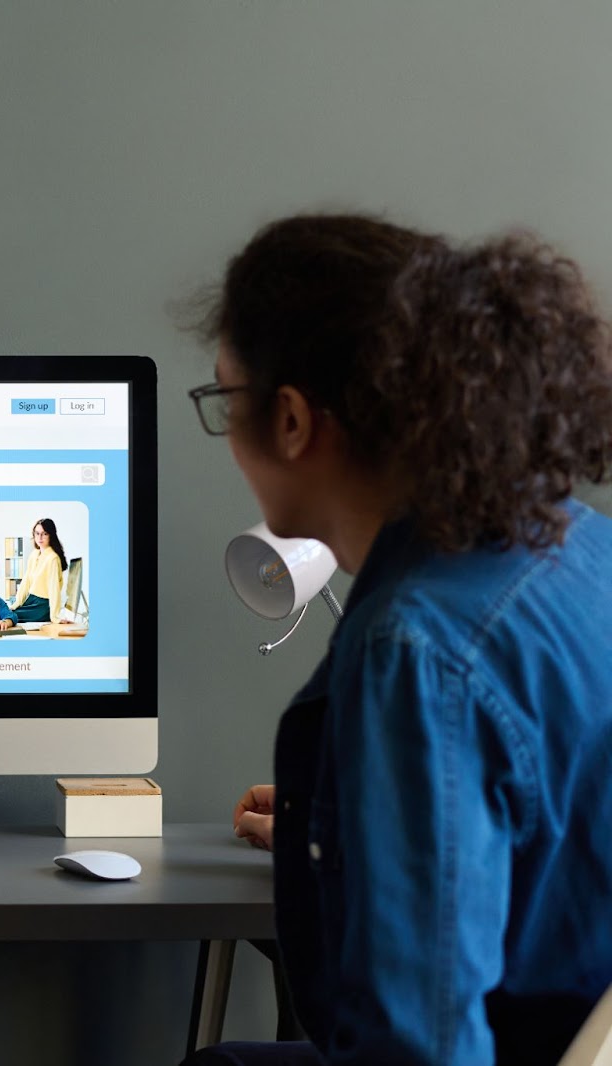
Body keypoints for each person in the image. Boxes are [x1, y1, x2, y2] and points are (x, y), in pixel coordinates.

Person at [181, 215, 612, 1065]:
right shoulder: (580, 543)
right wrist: (349, 832)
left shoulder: (417, 653)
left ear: (294, 420)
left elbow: (419, 1046)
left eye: (225, 399)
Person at [7, 518, 66, 623]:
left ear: (51, 535)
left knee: (8, 617)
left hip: (43, 605)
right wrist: (17, 603)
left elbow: (54, 589)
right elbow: (26, 582)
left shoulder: (53, 558)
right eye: (37, 533)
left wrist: (55, 617)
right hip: (31, 599)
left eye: (44, 534)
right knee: (5, 612)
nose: (40, 537)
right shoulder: (34, 554)